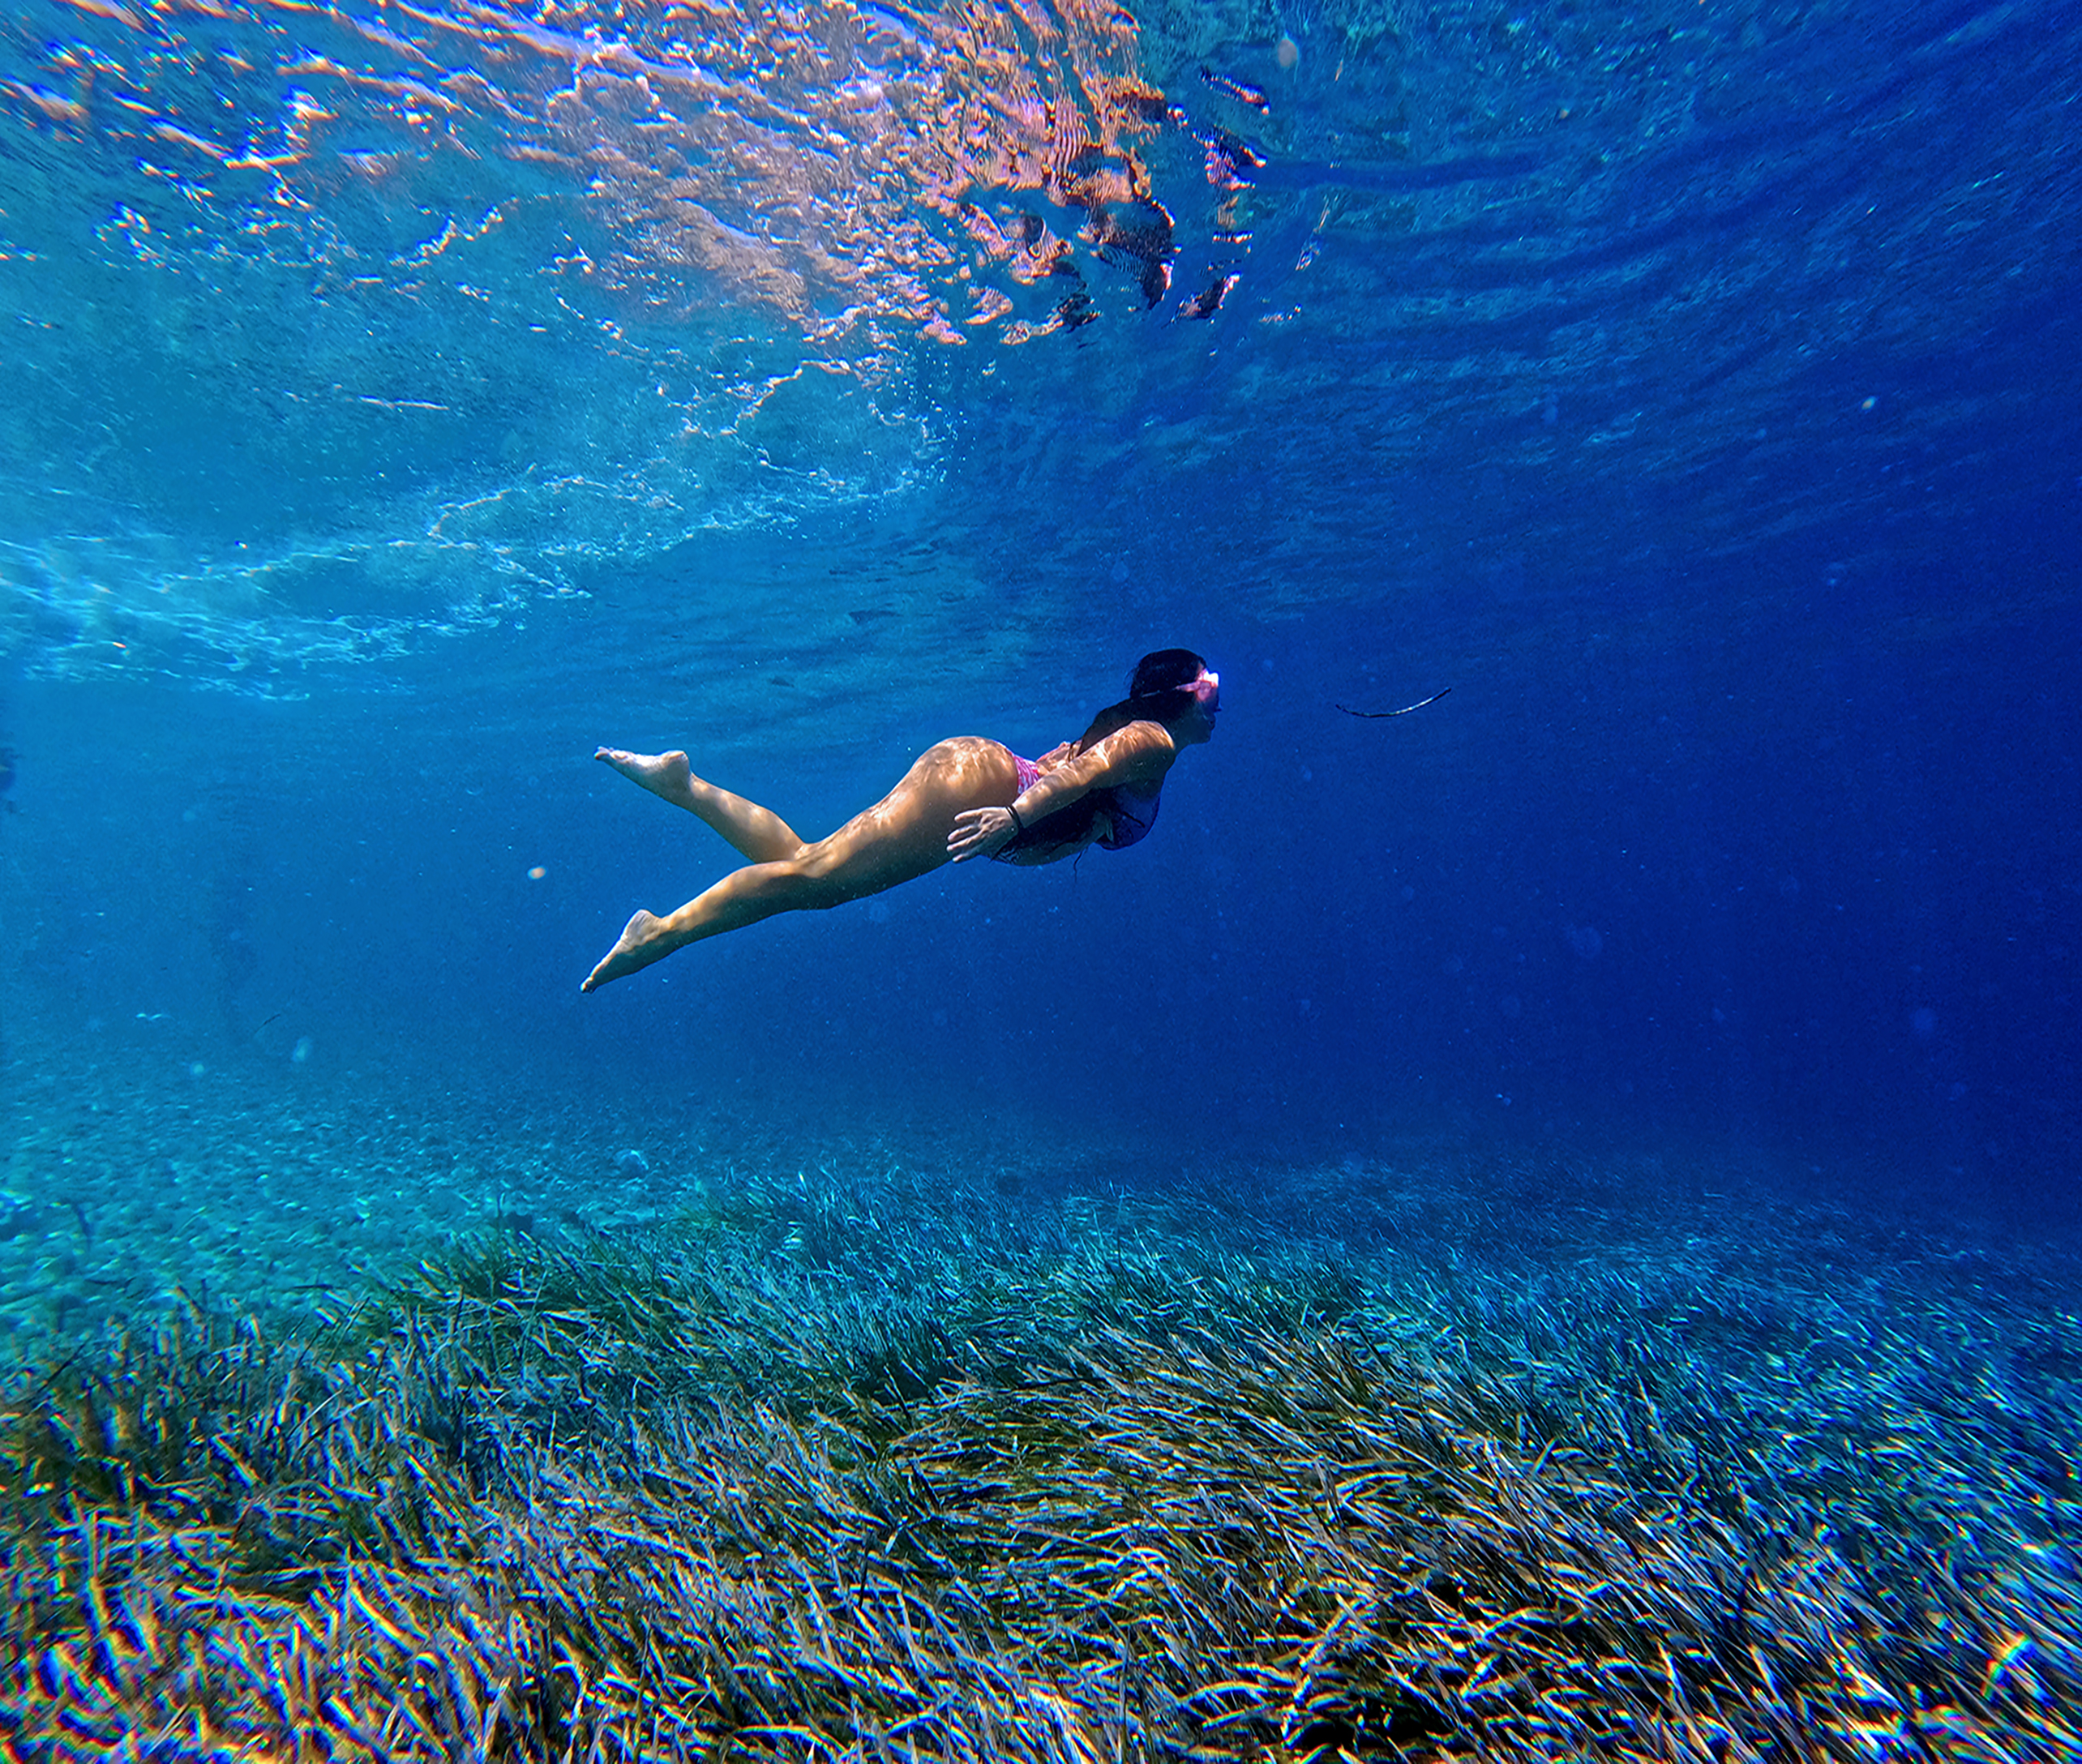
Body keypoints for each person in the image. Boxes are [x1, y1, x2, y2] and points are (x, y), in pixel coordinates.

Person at [580, 649, 1219, 991]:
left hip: (975, 771)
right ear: (1182, 697)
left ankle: (684, 786)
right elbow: (1077, 777)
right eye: (1210, 689)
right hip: (977, 788)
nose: (1218, 701)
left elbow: (1070, 766)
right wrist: (1013, 817)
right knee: (816, 882)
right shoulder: (1154, 742)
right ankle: (660, 933)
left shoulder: (1136, 737)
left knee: (811, 863)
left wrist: (1016, 809)